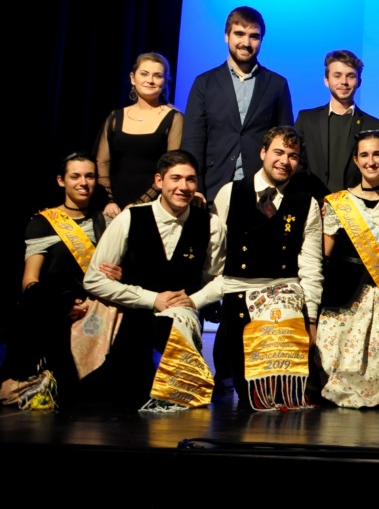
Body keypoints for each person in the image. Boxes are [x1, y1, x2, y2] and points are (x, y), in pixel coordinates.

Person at [83, 150, 226, 410]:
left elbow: (221, 277)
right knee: (123, 396)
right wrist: (152, 299)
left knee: (181, 398)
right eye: (176, 178)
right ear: (159, 181)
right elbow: (94, 279)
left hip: (181, 318)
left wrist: (194, 301)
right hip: (135, 315)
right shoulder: (130, 218)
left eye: (190, 179)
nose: (184, 186)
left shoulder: (211, 224)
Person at [212, 126, 322, 411]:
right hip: (238, 299)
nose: (285, 161)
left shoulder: (306, 202)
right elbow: (216, 253)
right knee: (251, 398)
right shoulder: (230, 192)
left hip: (285, 301)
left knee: (285, 398)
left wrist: (311, 320)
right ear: (263, 152)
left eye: (293, 156)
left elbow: (311, 265)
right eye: (278, 152)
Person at [0, 155, 116, 409]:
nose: (83, 182)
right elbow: (30, 280)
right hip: (56, 304)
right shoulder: (43, 222)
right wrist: (60, 305)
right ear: (61, 181)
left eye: (89, 176)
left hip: (98, 305)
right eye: (75, 176)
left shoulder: (107, 223)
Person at [316, 131, 379, 407]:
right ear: (355, 161)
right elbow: (324, 256)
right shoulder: (338, 203)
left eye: (377, 154)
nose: (371, 161)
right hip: (340, 295)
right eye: (364, 155)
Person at [182, 6, 294, 200]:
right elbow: (193, 141)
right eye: (239, 34)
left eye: (254, 36)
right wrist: (195, 187)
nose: (246, 43)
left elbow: (286, 141)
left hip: (263, 191)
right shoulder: (204, 83)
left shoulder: (277, 84)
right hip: (212, 187)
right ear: (227, 36)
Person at [96, 52, 184, 217]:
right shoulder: (115, 116)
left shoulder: (174, 118)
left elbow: (171, 167)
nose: (150, 80)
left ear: (165, 82)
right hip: (113, 207)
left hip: (154, 205)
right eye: (144, 74)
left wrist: (139, 204)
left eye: (158, 76)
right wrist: (109, 201)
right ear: (132, 78)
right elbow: (102, 162)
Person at [294, 50, 379, 196]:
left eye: (351, 76)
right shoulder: (307, 119)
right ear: (326, 80)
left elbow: (377, 173)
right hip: (311, 203)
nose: (344, 82)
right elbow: (297, 164)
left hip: (355, 205)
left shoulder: (373, 125)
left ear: (359, 82)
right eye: (337, 76)